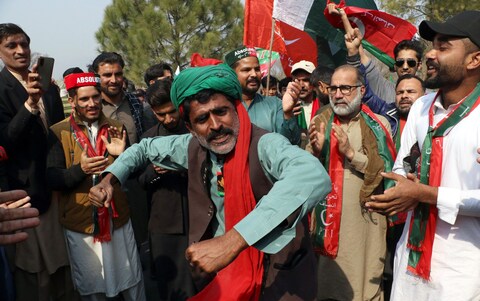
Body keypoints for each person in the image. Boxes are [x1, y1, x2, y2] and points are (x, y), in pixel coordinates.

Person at [89, 64, 331, 300]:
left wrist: (233, 240)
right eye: (203, 118)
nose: (216, 125)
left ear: (236, 108)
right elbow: (143, 149)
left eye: (221, 112)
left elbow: (312, 174)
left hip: (275, 273)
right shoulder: (192, 147)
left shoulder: (265, 144)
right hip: (221, 273)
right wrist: (110, 178)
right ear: (191, 128)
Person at [366, 11, 480, 300]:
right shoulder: (420, 107)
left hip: (462, 274)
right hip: (409, 269)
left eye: (443, 47)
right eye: (432, 46)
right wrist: (398, 189)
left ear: (474, 60)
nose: (430, 54)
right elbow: (402, 166)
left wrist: (426, 194)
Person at [46, 71, 146, 300]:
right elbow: (52, 179)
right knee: (93, 286)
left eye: (95, 97)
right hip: (81, 223)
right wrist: (80, 170)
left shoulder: (116, 127)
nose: (92, 104)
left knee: (132, 280)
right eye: (84, 99)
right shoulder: (58, 132)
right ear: (72, 101)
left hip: (117, 219)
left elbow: (132, 173)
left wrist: (122, 157)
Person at [0, 23, 78, 301]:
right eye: (12, 45)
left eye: (24, 44)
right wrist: (30, 105)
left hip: (61, 186)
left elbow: (58, 131)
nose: (21, 51)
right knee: (36, 268)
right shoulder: (2, 89)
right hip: (27, 191)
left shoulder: (49, 87)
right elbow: (7, 139)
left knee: (67, 262)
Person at [308, 65, 395, 301]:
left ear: (362, 89)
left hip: (364, 223)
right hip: (327, 218)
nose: (337, 94)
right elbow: (304, 171)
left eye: (346, 88)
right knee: (326, 283)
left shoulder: (378, 125)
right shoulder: (320, 121)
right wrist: (316, 152)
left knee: (363, 285)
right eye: (334, 88)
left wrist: (350, 154)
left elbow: (385, 172)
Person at [138, 79, 196, 299]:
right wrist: (155, 171)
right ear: (153, 111)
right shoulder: (148, 139)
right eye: (161, 114)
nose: (169, 119)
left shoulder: (196, 130)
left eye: (172, 111)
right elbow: (141, 181)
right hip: (164, 224)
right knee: (171, 287)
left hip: (198, 219)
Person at [91, 52, 151, 245]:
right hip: (104, 182)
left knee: (140, 235)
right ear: (96, 76)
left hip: (135, 180)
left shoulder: (134, 102)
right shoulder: (92, 105)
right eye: (107, 75)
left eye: (118, 74)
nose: (114, 80)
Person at [328, 4, 424, 104]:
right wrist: (344, 17)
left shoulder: (430, 97)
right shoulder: (383, 89)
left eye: (411, 62)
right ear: (395, 66)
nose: (405, 67)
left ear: (419, 65)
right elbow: (358, 52)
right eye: (400, 62)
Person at [225, 45, 301, 145]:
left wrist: (288, 114)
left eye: (257, 69)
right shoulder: (223, 108)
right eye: (246, 70)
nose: (254, 74)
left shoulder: (275, 104)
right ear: (232, 74)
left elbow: (291, 145)